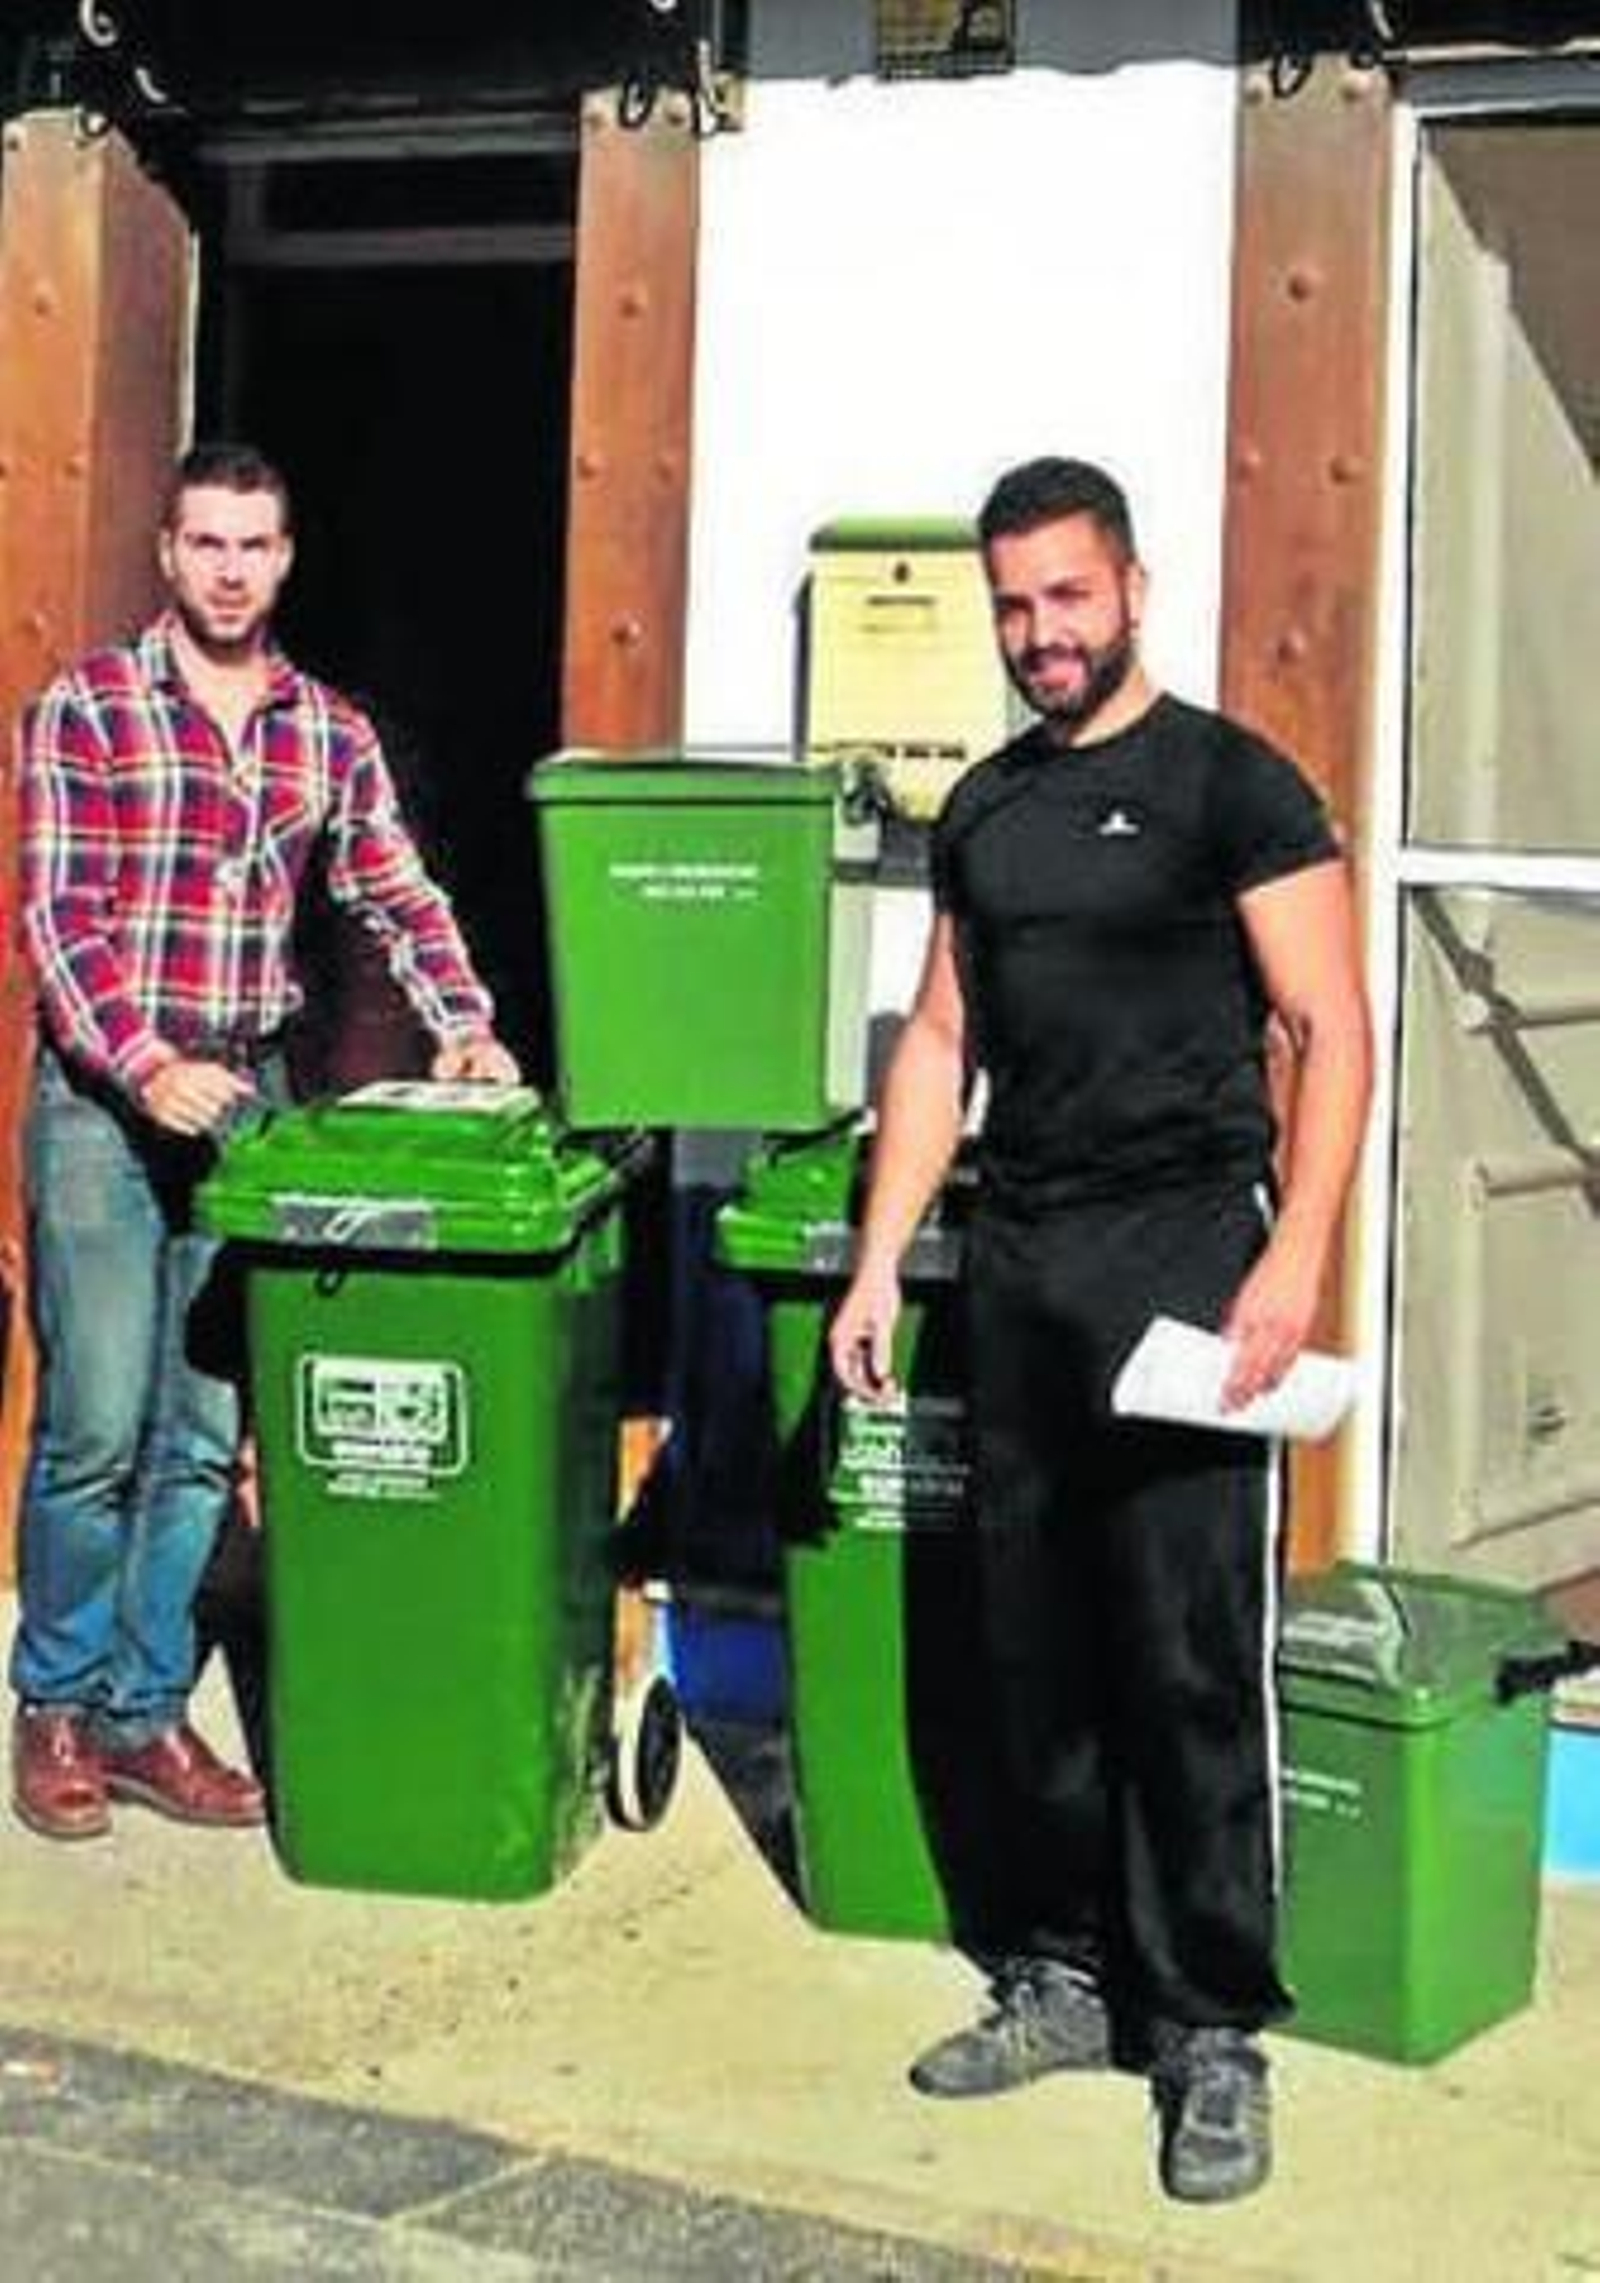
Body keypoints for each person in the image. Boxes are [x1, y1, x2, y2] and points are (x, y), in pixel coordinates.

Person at [827, 457, 1372, 2205]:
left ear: (1132, 587)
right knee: (1033, 1652)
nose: (1039, 634)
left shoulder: (1232, 787)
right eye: (1012, 604)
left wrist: (1294, 1258)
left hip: (1196, 1276)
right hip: (1026, 1275)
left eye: (1066, 596)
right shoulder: (985, 810)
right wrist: (875, 1263)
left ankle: (1212, 2028)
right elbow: (936, 1044)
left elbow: (1333, 1028)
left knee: (1187, 1660)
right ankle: (1063, 1970)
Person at [11, 441, 520, 1843]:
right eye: (207, 544)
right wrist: (144, 1059)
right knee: (98, 1423)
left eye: (256, 546)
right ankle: (51, 1703)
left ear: (284, 560)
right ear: (167, 555)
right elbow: (60, 915)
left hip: (249, 1105)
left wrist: (464, 1026)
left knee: (201, 1434)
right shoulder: (88, 711)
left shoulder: (325, 732)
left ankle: (140, 1715)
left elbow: (395, 893)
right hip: (107, 1109)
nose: (231, 570)